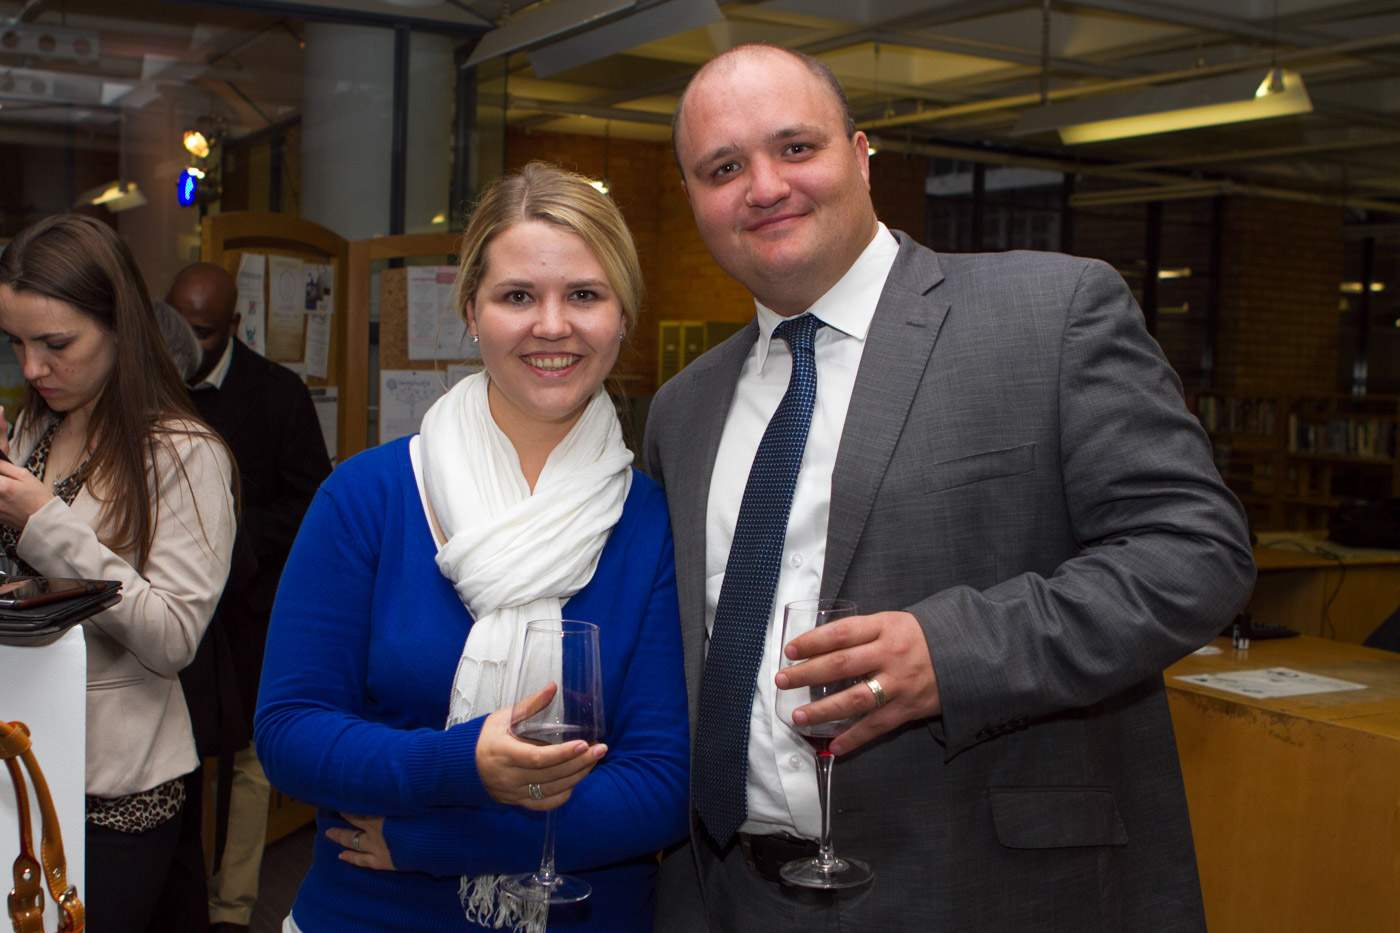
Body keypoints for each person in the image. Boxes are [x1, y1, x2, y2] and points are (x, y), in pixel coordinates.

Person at [644, 44, 1257, 932]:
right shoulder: (683, 408)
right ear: (693, 198)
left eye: (796, 148)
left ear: (861, 155)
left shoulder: (1050, 314)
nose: (765, 187)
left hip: (989, 891)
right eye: (723, 168)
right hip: (737, 897)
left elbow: (1197, 554)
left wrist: (951, 652)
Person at [255, 161, 689, 932]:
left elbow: (660, 785)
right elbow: (290, 733)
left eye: (584, 295)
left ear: (623, 315)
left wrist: (437, 837)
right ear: (470, 311)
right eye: (517, 295)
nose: (551, 325)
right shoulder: (368, 497)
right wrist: (462, 762)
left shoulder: (650, 519)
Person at [0, 213, 237, 932]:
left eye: (56, 345)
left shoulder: (185, 453)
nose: (32, 369)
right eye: (16, 344)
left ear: (119, 327)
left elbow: (172, 637)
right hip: (24, 760)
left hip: (117, 794)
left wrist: (43, 522)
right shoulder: (34, 427)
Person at [165, 260, 333, 933]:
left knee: (248, 762)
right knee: (176, 756)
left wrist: (231, 534)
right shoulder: (152, 385)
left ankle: (232, 910)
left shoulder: (277, 393)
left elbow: (310, 499)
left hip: (247, 610)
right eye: (177, 327)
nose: (188, 345)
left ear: (234, 324)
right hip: (172, 612)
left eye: (203, 332)